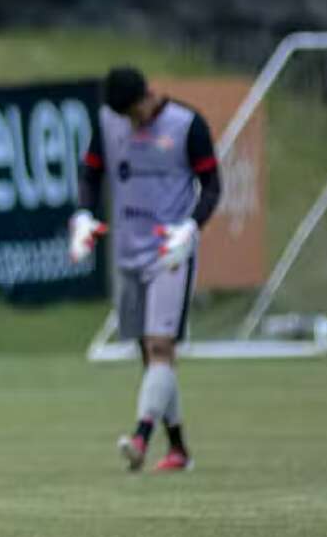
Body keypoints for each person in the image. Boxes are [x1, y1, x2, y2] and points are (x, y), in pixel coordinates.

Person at [69, 67, 221, 473]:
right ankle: (179, 450)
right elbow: (91, 171)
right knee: (148, 353)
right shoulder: (109, 123)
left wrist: (191, 226)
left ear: (147, 96)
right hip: (128, 252)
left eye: (133, 112)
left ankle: (139, 437)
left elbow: (212, 185)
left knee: (160, 346)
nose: (130, 123)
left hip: (169, 254)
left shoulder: (187, 126)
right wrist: (84, 214)